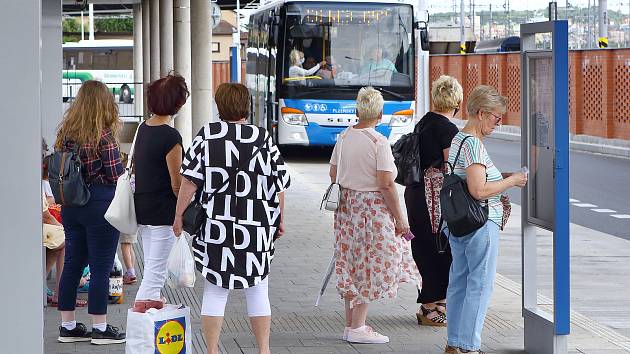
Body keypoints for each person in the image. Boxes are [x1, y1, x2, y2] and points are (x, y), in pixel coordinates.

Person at [174, 83, 290, 354]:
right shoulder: (262, 138)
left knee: (215, 289)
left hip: (217, 225)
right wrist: (280, 219)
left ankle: (212, 350)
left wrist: (178, 215)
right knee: (259, 288)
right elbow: (279, 184)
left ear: (219, 106)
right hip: (257, 224)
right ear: (246, 106)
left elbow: (189, 182)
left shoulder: (208, 135)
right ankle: (263, 350)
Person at [330, 86, 421, 344]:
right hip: (372, 210)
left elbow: (332, 174)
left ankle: (351, 325)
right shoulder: (379, 142)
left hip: (346, 209)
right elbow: (386, 183)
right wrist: (401, 220)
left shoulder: (344, 137)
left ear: (358, 110)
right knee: (370, 264)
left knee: (350, 262)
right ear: (380, 113)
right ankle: (358, 327)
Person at [444, 85, 527, 354]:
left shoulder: (459, 139)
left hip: (458, 224)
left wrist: (499, 175)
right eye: (496, 117)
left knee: (459, 282)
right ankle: (470, 346)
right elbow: (478, 190)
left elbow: (471, 176)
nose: (498, 123)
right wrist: (512, 181)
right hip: (480, 223)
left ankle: (454, 344)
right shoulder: (475, 145)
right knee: (480, 284)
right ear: (481, 113)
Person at [55, 80, 126, 345]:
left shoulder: (65, 134)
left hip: (71, 205)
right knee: (100, 267)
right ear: (104, 103)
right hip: (99, 205)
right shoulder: (103, 135)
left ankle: (68, 326)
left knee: (73, 264)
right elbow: (115, 175)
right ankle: (100, 328)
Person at [404, 75, 462, 327]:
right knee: (441, 247)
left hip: (416, 192)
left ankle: (437, 302)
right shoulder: (448, 129)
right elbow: (452, 164)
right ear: (456, 100)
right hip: (434, 196)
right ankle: (429, 307)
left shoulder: (424, 122)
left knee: (427, 247)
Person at [132, 73, 188, 312]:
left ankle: (152, 303)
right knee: (155, 272)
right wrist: (185, 207)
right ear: (177, 103)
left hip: (143, 208)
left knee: (153, 266)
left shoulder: (143, 129)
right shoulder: (170, 136)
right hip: (163, 210)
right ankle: (142, 315)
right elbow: (177, 183)